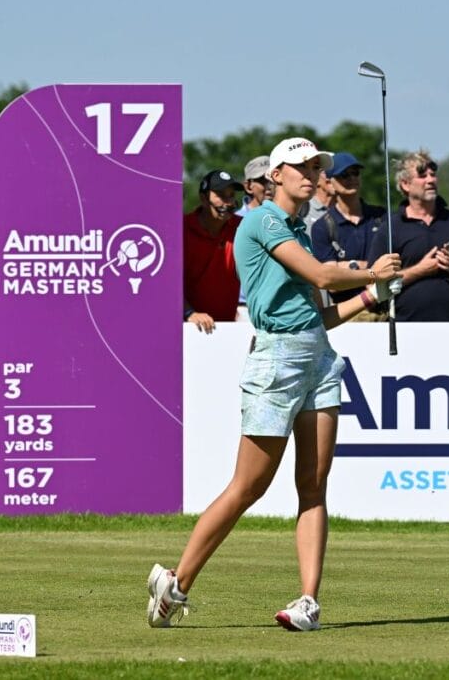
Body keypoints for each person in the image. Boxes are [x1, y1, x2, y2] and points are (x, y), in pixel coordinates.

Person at [146, 137, 401, 632]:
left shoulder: (300, 232)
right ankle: (176, 583)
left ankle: (308, 602)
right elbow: (325, 277)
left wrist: (373, 293)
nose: (312, 174)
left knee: (313, 483)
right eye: (301, 167)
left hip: (318, 360)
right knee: (249, 487)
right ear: (275, 176)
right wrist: (370, 268)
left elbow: (321, 315)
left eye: (315, 167)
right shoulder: (262, 221)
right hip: (277, 361)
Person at [365, 150, 449, 321]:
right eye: (422, 175)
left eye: (433, 174)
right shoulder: (390, 229)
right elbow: (372, 284)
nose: (431, 180)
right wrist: (420, 270)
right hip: (405, 330)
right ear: (405, 184)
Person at [309, 152, 386, 316]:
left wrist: (345, 267)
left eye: (355, 173)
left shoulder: (382, 217)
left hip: (385, 309)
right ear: (330, 183)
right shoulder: (322, 226)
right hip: (346, 315)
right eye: (344, 175)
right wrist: (371, 269)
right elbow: (333, 285)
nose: (352, 178)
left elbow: (393, 264)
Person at [183, 170, 244, 333]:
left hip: (227, 330)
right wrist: (189, 313)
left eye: (231, 195)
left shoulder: (243, 227)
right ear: (203, 199)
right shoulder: (181, 229)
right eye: (221, 195)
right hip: (187, 328)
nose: (228, 202)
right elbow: (165, 281)